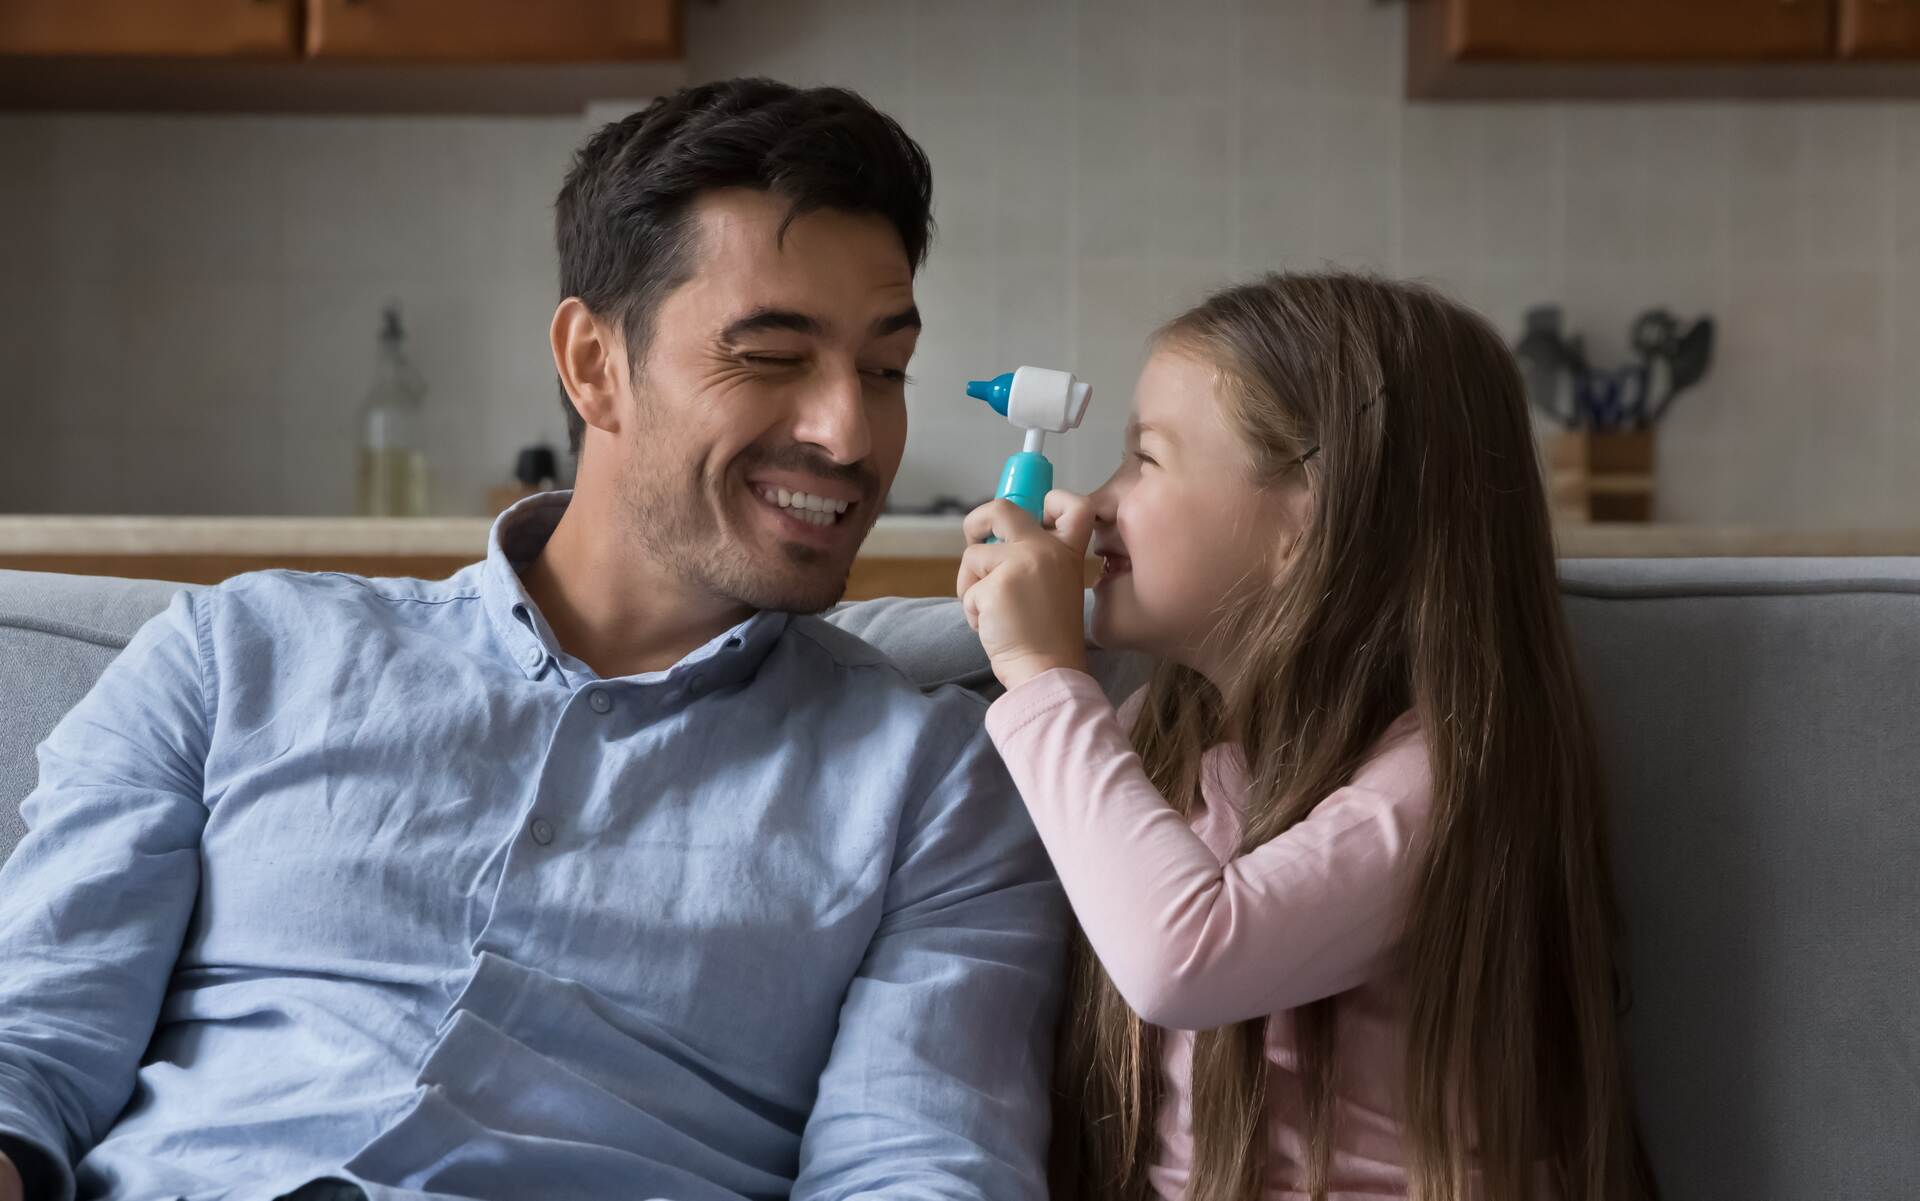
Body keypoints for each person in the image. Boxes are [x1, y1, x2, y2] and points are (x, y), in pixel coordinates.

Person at [0, 78, 1066, 1201]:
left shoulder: (939, 785)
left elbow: (921, 1169)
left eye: (885, 369)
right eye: (770, 356)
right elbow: (28, 1047)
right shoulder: (238, 653)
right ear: (595, 364)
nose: (850, 431)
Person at [955, 272, 1658, 1200]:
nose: (1100, 501)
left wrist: (1045, 677)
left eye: (1146, 459)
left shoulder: (1439, 784)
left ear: (1305, 520)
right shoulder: (1143, 743)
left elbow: (1183, 957)